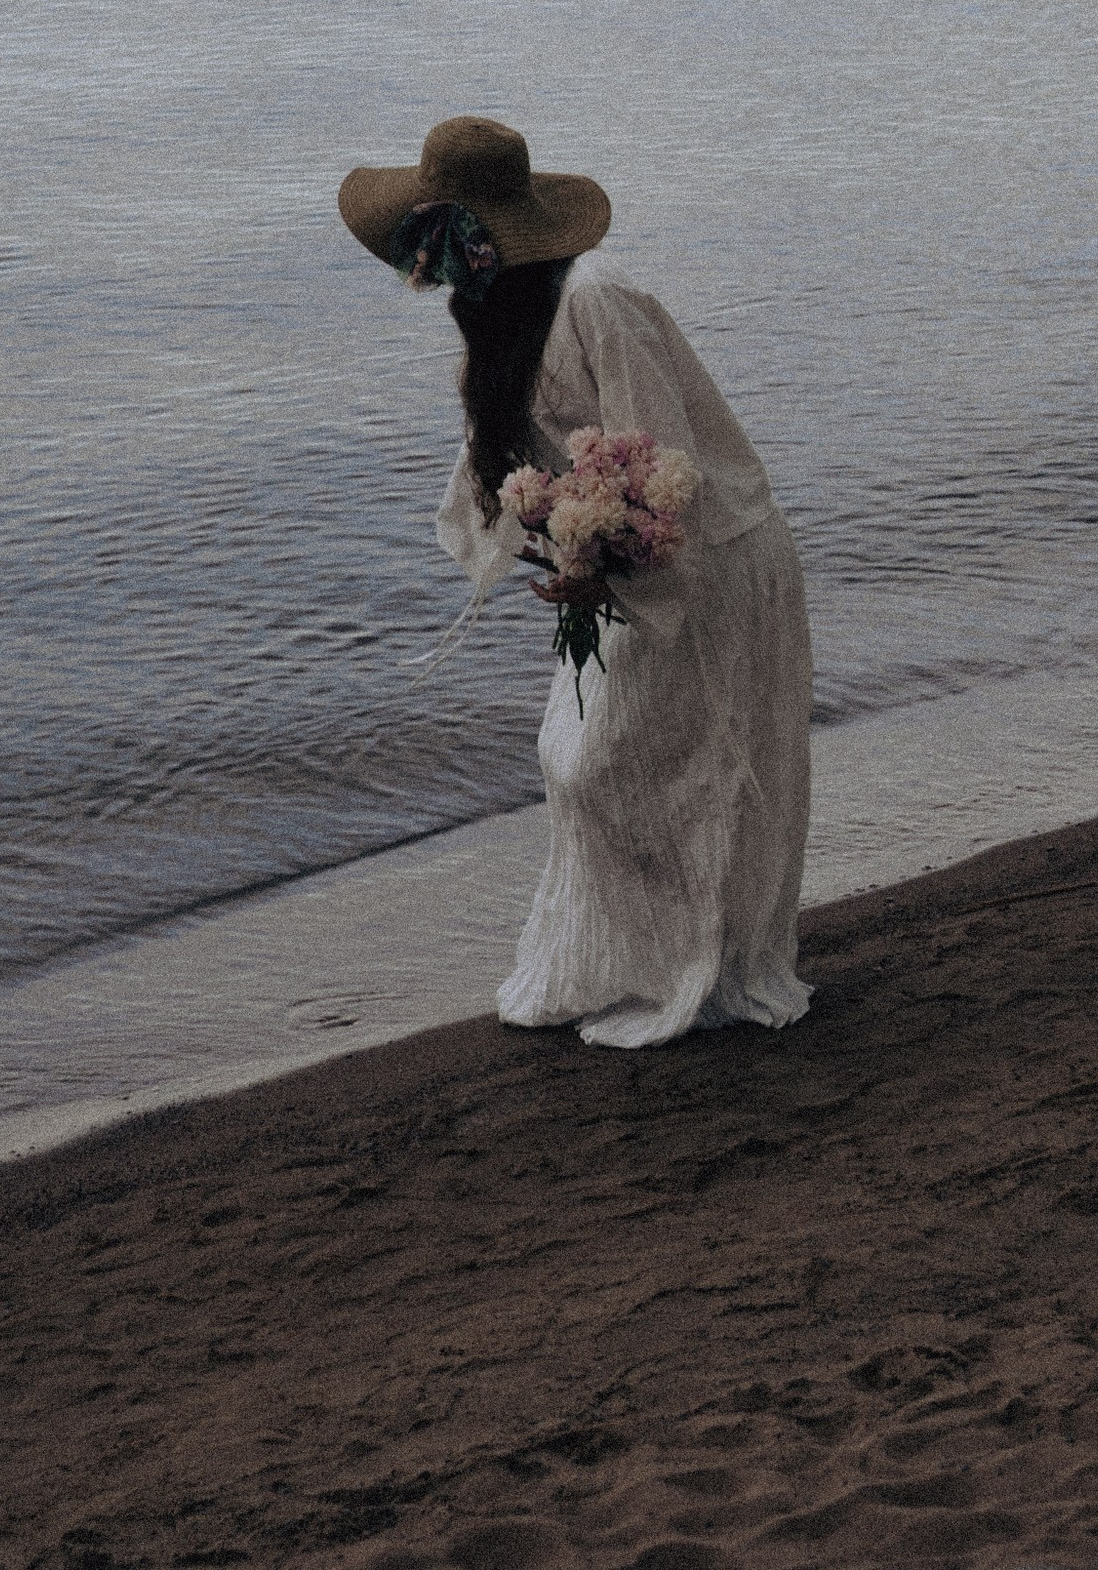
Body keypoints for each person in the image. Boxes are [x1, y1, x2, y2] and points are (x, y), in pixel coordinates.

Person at [340, 112, 814, 1048]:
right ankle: (635, 960)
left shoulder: (593, 296)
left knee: (655, 764)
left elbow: (656, 460)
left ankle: (701, 972)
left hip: (708, 560)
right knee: (588, 759)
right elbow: (505, 463)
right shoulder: (499, 313)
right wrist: (556, 553)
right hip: (622, 570)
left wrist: (597, 560)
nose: (432, 270)